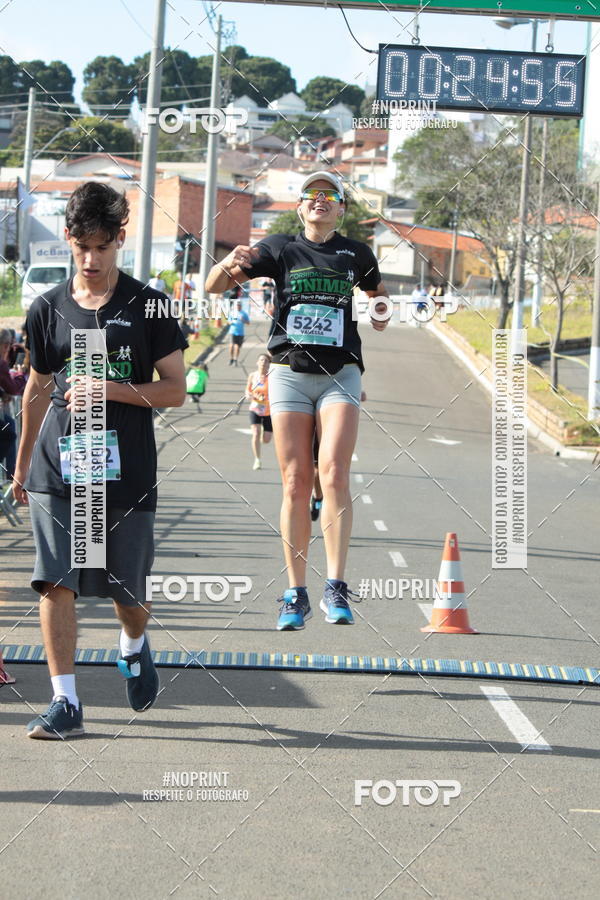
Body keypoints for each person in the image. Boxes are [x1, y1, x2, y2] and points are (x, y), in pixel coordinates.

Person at [13, 181, 188, 739]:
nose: (91, 259)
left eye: (103, 247)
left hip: (126, 472)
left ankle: (133, 645)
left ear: (120, 241)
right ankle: (65, 701)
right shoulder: (47, 308)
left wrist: (109, 391)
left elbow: (176, 389)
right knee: (54, 581)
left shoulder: (149, 305)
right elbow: (36, 389)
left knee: (127, 593)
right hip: (58, 471)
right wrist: (20, 469)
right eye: (81, 246)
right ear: (68, 239)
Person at [206, 170, 389, 630]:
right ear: (300, 206)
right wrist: (231, 262)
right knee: (294, 480)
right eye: (312, 194)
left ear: (342, 208)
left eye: (330, 195)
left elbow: (379, 297)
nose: (320, 200)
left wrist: (381, 313)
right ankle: (295, 592)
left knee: (333, 473)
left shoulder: (356, 253)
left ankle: (336, 586)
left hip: (340, 373)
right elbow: (212, 286)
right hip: (288, 373)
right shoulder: (279, 247)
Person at [0, 328, 27, 482]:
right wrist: (19, 375)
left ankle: (10, 473)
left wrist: (2, 394)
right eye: (7, 345)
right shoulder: (2, 364)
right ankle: (11, 473)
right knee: (9, 431)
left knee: (9, 426)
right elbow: (14, 388)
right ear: (4, 346)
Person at [245, 353, 272, 470]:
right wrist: (249, 395)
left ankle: (262, 435)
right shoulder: (252, 376)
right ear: (257, 362)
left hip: (268, 410)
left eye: (266, 361)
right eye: (261, 360)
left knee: (266, 440)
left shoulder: (272, 376)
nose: (263, 363)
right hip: (255, 408)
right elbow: (248, 390)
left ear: (269, 364)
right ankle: (257, 459)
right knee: (255, 433)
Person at [228, 298, 250, 366]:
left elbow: (248, 323)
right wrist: (230, 322)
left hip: (240, 333)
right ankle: (231, 358)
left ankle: (235, 359)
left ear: (241, 306)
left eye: (239, 305)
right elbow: (228, 321)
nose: (238, 306)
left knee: (237, 346)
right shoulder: (232, 312)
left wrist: (243, 320)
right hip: (232, 331)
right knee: (231, 345)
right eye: (237, 305)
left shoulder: (244, 313)